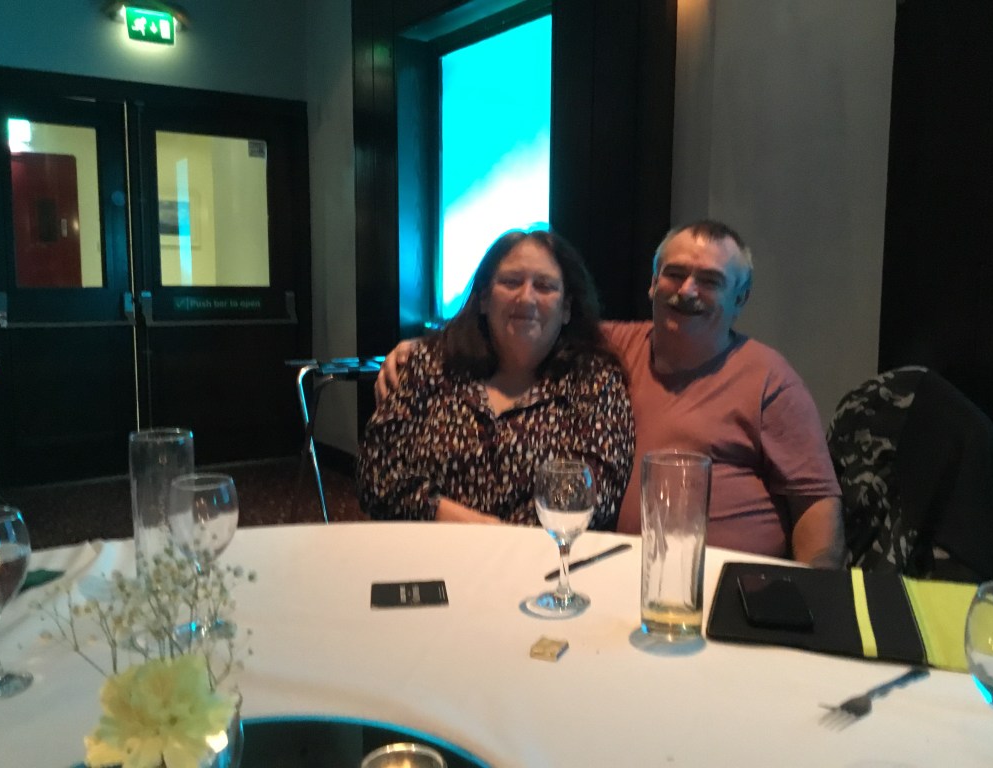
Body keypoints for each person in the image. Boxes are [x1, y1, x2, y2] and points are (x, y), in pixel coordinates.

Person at [376, 220, 844, 566]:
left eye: (710, 281)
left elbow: (816, 502)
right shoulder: (613, 346)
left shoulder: (769, 379)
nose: (687, 290)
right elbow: (526, 324)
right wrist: (420, 348)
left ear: (740, 298)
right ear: (653, 283)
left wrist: (816, 596)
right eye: (674, 274)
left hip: (728, 577)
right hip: (621, 573)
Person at [358, 228, 634, 530]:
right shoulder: (429, 363)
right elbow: (376, 475)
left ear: (566, 308)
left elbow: (593, 495)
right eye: (511, 282)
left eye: (544, 286)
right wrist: (473, 525)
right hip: (426, 550)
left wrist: (500, 544)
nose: (526, 297)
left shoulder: (595, 381)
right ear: (484, 299)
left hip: (540, 556)